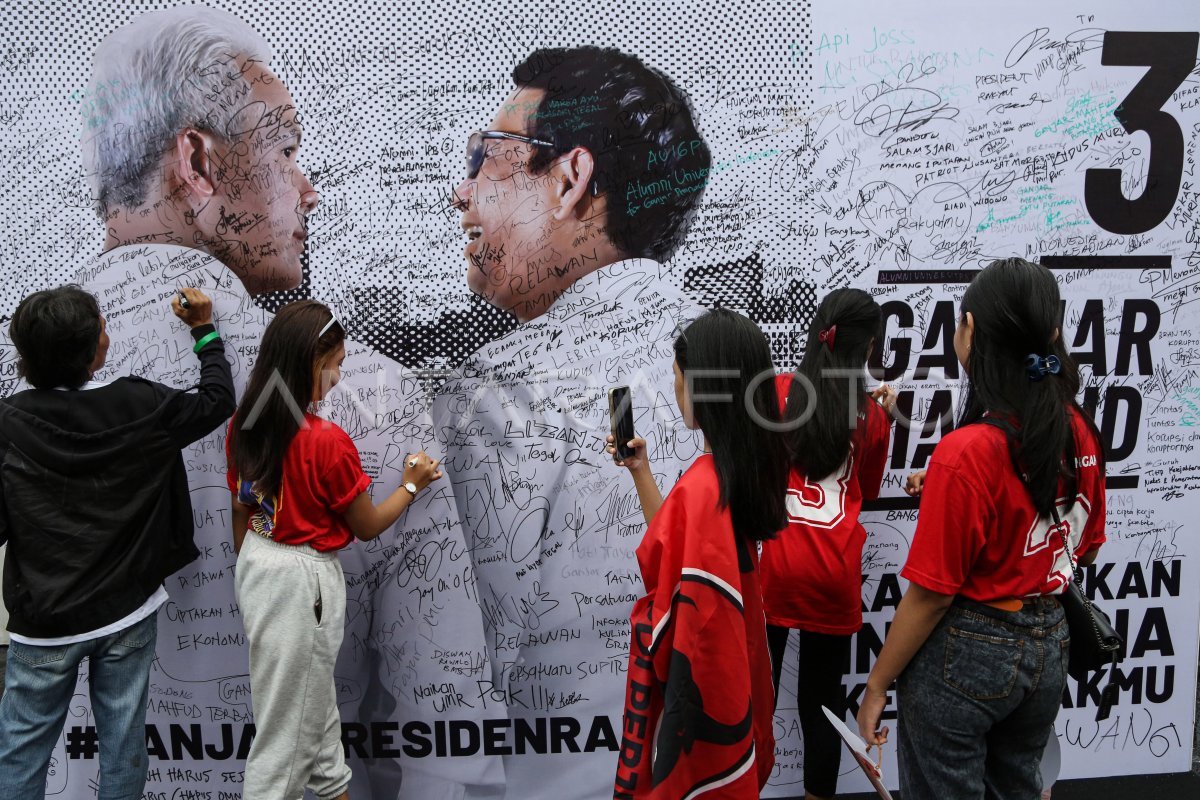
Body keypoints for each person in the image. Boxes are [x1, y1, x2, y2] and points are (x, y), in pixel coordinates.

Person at [70, 9, 498, 796]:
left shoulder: (17, 380)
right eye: (288, 151)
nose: (309, 191)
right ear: (195, 160)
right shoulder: (367, 391)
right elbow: (449, 725)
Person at [432, 46, 710, 796]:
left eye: (485, 158)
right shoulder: (734, 364)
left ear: (569, 179)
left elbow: (450, 677)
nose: (462, 192)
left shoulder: (495, 392)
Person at [856, 258, 1107, 799]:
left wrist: (877, 685)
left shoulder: (967, 452)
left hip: (966, 657)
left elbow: (929, 597)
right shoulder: (1080, 431)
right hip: (1048, 653)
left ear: (969, 329)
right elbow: (1081, 545)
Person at [0, 285, 233, 799]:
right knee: (123, 746)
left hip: (44, 621)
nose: (108, 335)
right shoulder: (138, 403)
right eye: (102, 328)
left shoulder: (8, 424)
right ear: (92, 352)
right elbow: (217, 401)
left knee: (21, 753)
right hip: (126, 610)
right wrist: (204, 333)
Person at [226, 300, 442, 800]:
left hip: (259, 562)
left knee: (316, 732)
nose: (340, 376)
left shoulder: (246, 423)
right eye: (336, 364)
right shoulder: (326, 442)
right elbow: (366, 526)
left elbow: (241, 508)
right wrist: (410, 484)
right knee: (282, 747)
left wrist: (256, 569)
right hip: (303, 581)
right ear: (311, 364)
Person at [608, 308, 788, 799]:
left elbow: (690, 623)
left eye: (676, 377)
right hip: (741, 686)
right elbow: (680, 552)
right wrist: (641, 472)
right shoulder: (732, 475)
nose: (673, 388)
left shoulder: (702, 489)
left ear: (701, 386)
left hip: (706, 706)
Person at [761, 288, 895, 800]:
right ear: (866, 350)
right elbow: (870, 489)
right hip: (833, 574)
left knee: (758, 699)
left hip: (778, 565)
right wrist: (874, 415)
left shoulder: (775, 391)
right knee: (822, 705)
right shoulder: (876, 419)